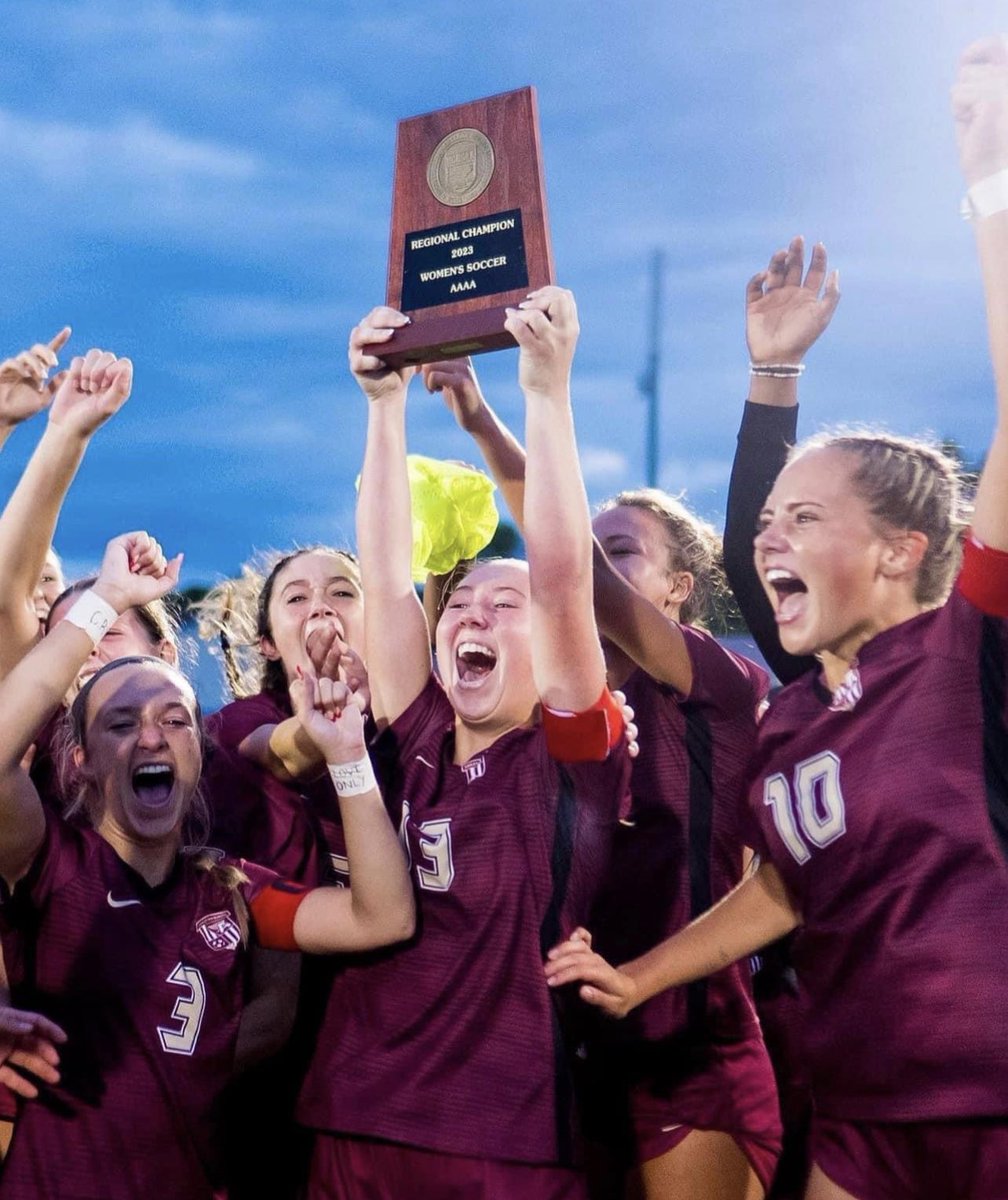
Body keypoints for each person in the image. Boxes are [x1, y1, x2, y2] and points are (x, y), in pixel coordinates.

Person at [545, 37, 1008, 1200]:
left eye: (808, 518)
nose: (767, 537)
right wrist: (644, 977)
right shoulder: (799, 718)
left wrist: (992, 185)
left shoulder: (971, 652)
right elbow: (787, 885)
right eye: (770, 523)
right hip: (860, 1114)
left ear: (905, 549)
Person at [295, 288, 631, 1200]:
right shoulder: (422, 730)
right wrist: (384, 405)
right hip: (357, 1109)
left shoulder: (572, 758)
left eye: (503, 604)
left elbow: (564, 583)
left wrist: (547, 394)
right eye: (467, 601)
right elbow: (394, 583)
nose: (473, 612)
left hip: (506, 1131)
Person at [423, 355, 781, 1198]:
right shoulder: (535, 711)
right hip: (560, 1060)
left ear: (680, 589)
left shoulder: (717, 692)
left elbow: (563, 562)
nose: (596, 565)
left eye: (620, 552)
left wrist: (487, 422)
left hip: (685, 1050)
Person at [0, 529, 414, 1199]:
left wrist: (346, 756)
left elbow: (383, 917)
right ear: (79, 757)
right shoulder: (50, 858)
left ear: (199, 754)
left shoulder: (229, 887)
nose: (152, 736)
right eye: (120, 722)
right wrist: (105, 597)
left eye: (174, 719)